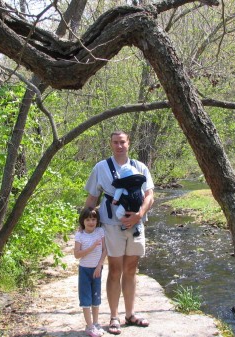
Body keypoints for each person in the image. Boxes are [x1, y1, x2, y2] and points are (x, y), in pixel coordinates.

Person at [84, 131, 154, 335]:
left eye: (122, 142)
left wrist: (139, 215)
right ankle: (114, 317)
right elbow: (92, 198)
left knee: (131, 268)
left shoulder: (140, 167)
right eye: (115, 142)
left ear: (128, 143)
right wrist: (84, 225)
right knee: (115, 269)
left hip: (136, 224)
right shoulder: (101, 167)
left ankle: (130, 314)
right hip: (111, 225)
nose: (119, 146)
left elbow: (150, 195)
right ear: (110, 144)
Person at [74, 207, 107, 337]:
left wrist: (99, 266)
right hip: (84, 270)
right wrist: (92, 247)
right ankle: (89, 326)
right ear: (83, 221)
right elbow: (77, 255)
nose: (91, 222)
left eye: (93, 219)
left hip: (97, 269)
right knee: (85, 297)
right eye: (88, 219)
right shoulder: (80, 235)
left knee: (96, 296)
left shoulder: (100, 231)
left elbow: (105, 250)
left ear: (97, 221)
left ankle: (96, 323)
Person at [111, 165, 146, 237]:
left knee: (118, 213)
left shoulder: (122, 185)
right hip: (137, 204)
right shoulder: (138, 185)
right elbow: (142, 194)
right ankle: (138, 227)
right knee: (138, 215)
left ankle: (126, 223)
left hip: (126, 204)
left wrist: (115, 200)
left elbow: (118, 192)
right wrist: (142, 197)